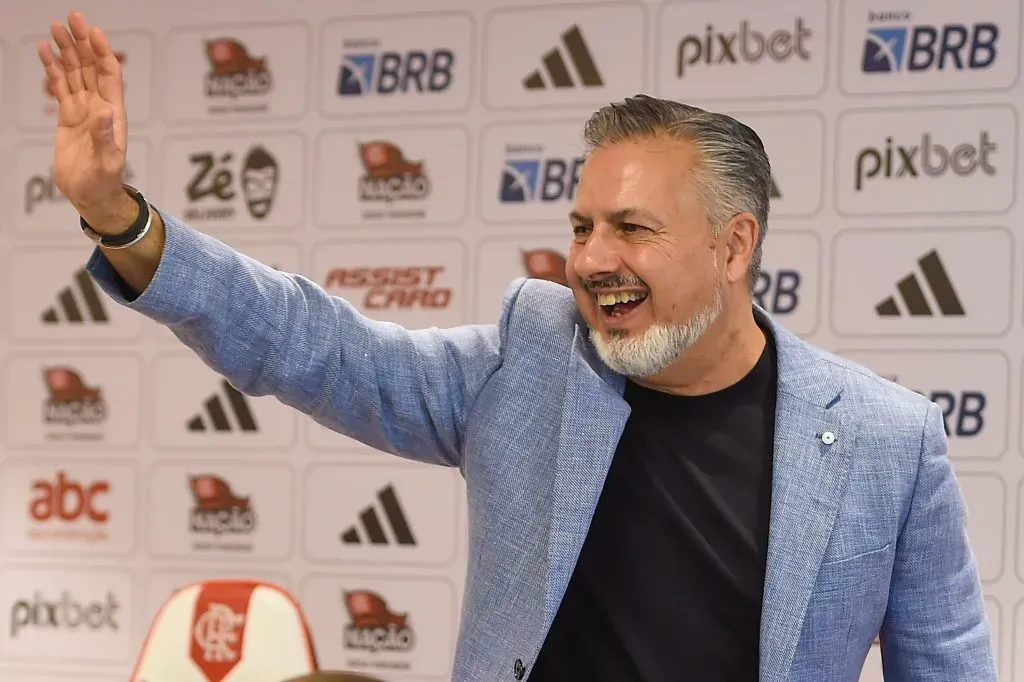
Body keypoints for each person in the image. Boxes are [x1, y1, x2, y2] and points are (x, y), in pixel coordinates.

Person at [37, 11, 996, 682]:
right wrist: (120, 217)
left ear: (734, 244)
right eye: (582, 226)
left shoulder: (886, 441)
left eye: (632, 229)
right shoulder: (535, 355)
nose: (591, 260)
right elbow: (312, 344)